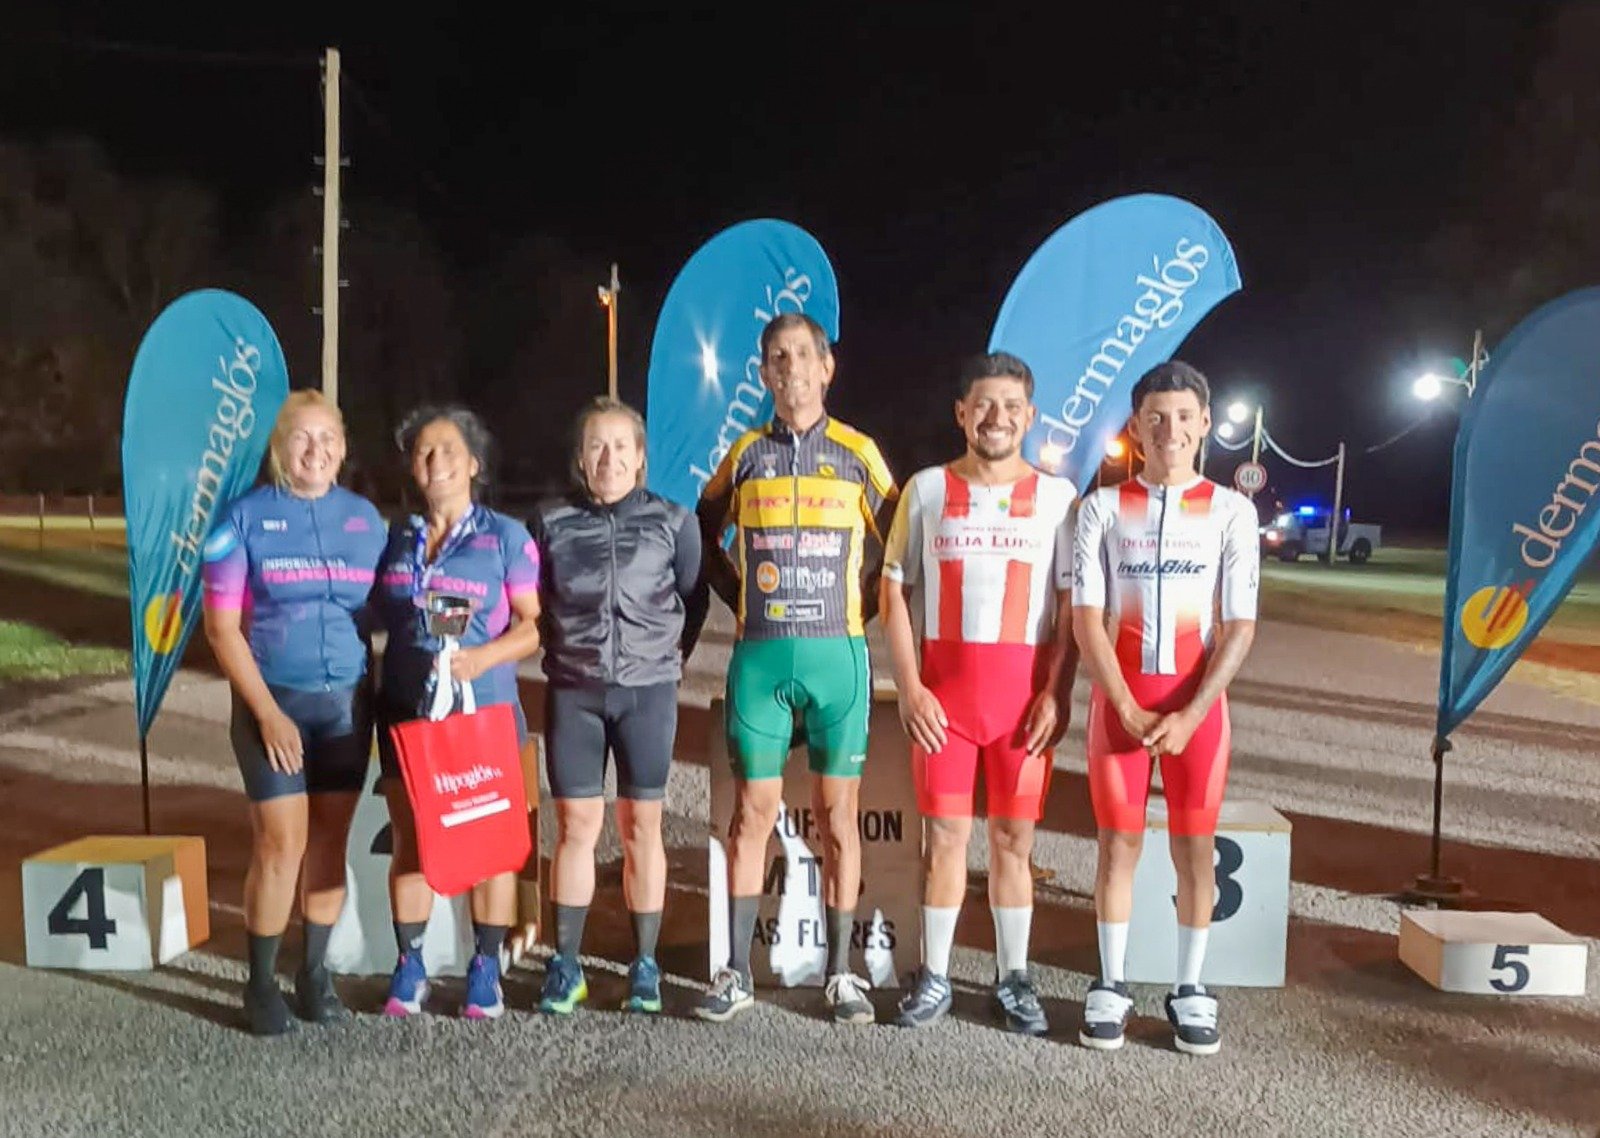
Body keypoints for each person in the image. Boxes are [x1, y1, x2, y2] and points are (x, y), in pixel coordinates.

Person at [693, 312, 898, 1025]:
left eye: (802, 356)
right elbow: (701, 531)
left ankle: (840, 975)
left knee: (837, 817)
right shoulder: (746, 453)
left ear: (826, 367)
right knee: (750, 814)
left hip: (838, 657)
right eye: (776, 358)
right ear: (764, 373)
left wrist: (864, 607)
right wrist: (737, 596)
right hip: (761, 658)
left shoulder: (858, 453)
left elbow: (900, 543)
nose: (790, 370)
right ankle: (734, 973)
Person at [880, 351, 1078, 1035]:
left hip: (1023, 708)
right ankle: (935, 975)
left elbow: (1071, 608)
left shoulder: (1058, 498)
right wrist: (910, 688)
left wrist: (1057, 693)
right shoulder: (926, 489)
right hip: (946, 707)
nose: (997, 417)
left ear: (1030, 416)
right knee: (944, 840)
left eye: (1011, 406)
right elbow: (892, 592)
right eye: (984, 405)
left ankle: (1013, 978)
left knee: (1014, 841)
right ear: (961, 413)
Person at [1072, 361, 1259, 1056]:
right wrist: (1122, 705)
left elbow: (1239, 627)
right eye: (1155, 417)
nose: (1169, 430)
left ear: (1204, 424)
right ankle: (1111, 983)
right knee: (1117, 845)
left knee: (1195, 849)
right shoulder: (1101, 508)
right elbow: (1087, 620)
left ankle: (1189, 987)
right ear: (1136, 424)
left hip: (1196, 711)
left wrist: (1192, 713)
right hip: (1120, 706)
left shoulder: (1232, 510)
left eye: (1183, 417)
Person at [201, 390, 387, 1036]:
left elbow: (393, 608)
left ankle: (314, 974)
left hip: (345, 705)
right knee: (281, 844)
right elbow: (221, 629)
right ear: (280, 448)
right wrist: (266, 713)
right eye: (302, 438)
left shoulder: (365, 520)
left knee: (330, 843)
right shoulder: (243, 518)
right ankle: (259, 983)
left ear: (343, 446)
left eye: (327, 438)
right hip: (272, 704)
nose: (316, 450)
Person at [529, 397, 701, 1015]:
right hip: (574, 690)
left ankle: (644, 965)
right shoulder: (550, 522)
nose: (609, 458)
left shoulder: (674, 522)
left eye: (621, 446)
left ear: (640, 457)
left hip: (647, 692)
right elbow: (533, 602)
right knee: (576, 827)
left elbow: (693, 598)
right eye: (596, 446)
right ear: (580, 457)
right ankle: (566, 964)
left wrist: (663, 658)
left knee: (641, 828)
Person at [373, 405, 543, 1020]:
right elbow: (373, 616)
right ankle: (410, 965)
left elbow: (533, 627)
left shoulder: (506, 537)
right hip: (406, 710)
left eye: (448, 450)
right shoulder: (396, 538)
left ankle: (485, 968)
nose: (435, 460)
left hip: (483, 711)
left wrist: (481, 658)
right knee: (412, 838)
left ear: (473, 463)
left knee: (489, 843)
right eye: (423, 451)